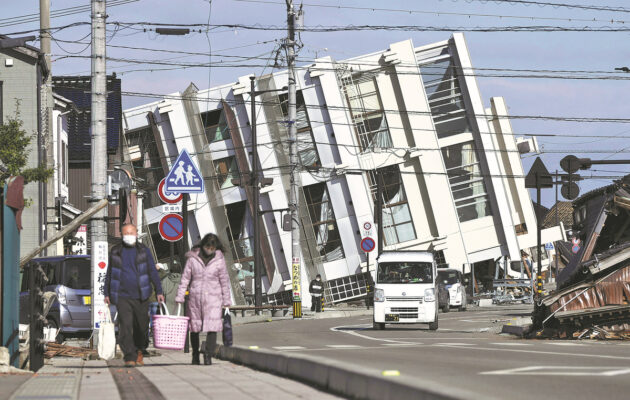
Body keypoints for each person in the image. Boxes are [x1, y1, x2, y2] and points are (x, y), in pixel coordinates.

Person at [104, 224, 164, 367]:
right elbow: (109, 273)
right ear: (122, 235)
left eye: (131, 233)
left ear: (136, 234)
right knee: (126, 326)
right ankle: (129, 356)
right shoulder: (116, 251)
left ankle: (140, 350)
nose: (128, 235)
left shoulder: (144, 251)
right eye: (126, 233)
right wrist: (106, 292)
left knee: (142, 326)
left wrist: (159, 290)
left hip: (141, 295)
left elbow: (152, 271)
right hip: (122, 295)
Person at [176, 233, 232, 365]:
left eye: (212, 248)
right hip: (195, 297)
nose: (209, 250)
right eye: (207, 246)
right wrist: (180, 295)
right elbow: (185, 278)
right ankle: (195, 354)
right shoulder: (192, 259)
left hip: (214, 298)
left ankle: (208, 355)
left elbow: (224, 280)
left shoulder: (219, 260)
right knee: (194, 328)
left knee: (212, 327)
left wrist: (227, 300)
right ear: (203, 245)